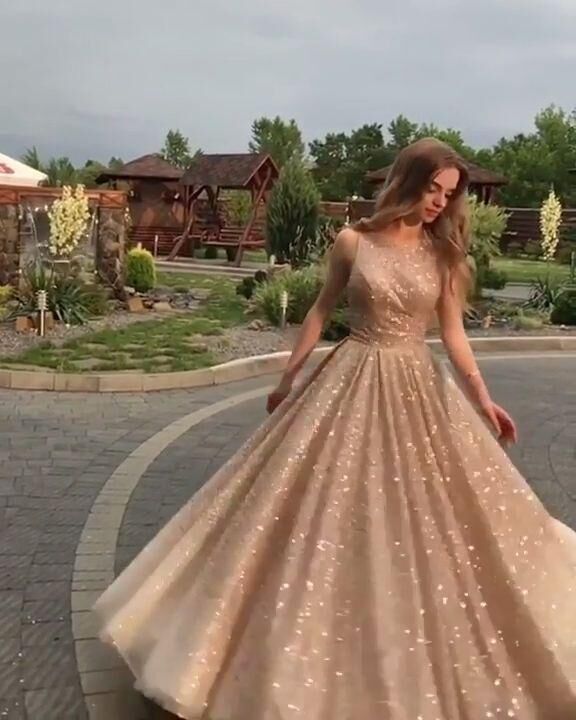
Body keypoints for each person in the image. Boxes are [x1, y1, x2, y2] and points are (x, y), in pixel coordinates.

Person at [94, 138, 576, 720]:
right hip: (350, 376)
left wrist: (483, 399)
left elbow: (452, 334)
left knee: (434, 514)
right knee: (313, 506)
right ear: (408, 181)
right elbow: (321, 310)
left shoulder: (443, 254)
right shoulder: (353, 241)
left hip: (418, 388)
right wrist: (288, 378)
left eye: (448, 195)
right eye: (432, 189)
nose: (438, 203)